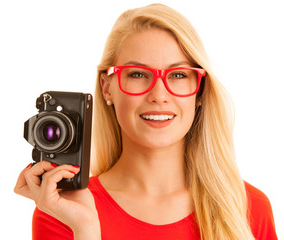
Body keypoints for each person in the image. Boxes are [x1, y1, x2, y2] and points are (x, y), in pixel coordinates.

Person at [14, 3, 277, 240]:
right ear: (107, 88)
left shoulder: (249, 208)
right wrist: (86, 230)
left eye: (178, 75)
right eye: (138, 74)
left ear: (199, 90)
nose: (159, 95)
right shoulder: (63, 210)